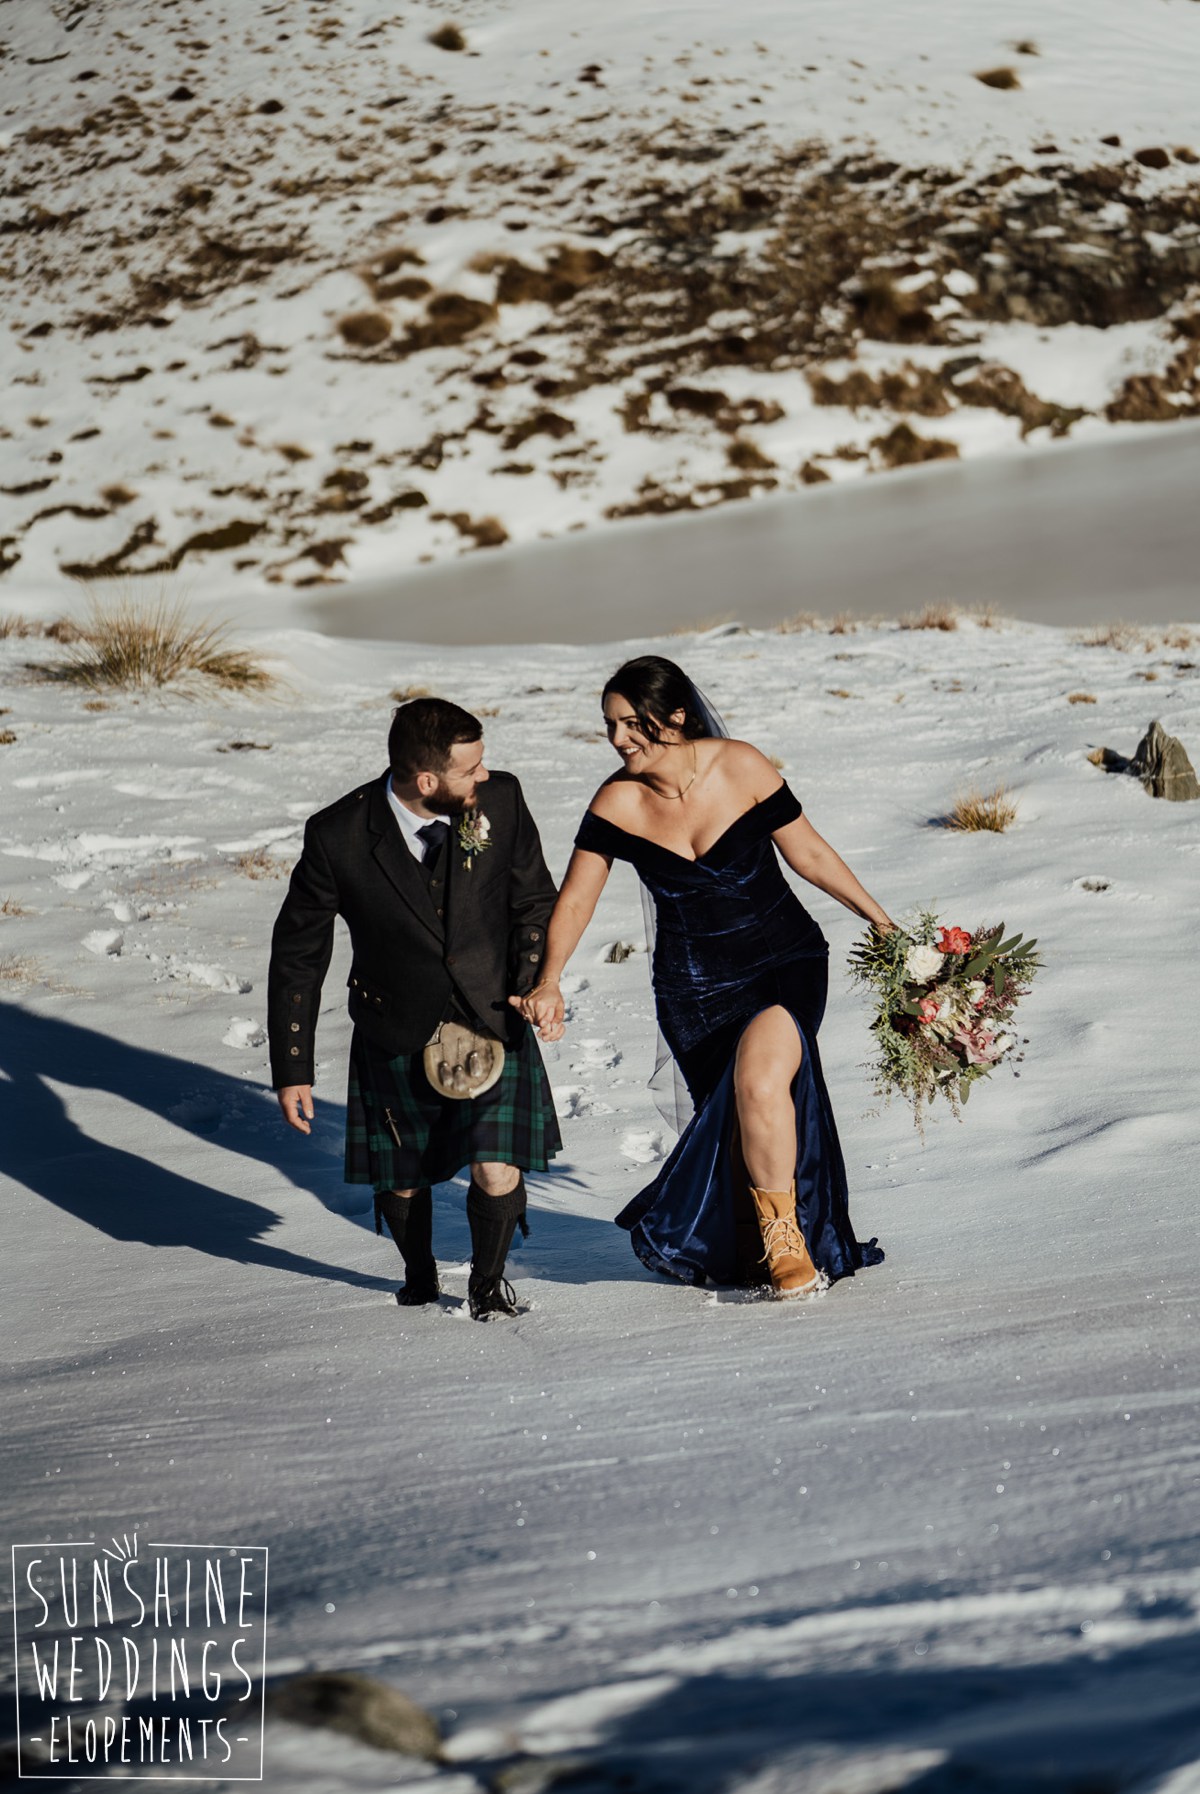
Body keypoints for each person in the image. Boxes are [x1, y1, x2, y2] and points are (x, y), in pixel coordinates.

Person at [516, 656, 890, 1298]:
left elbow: (809, 851)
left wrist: (879, 921)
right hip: (693, 993)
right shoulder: (616, 801)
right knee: (741, 1118)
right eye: (610, 725)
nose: (619, 739)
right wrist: (548, 979)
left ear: (677, 716)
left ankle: (788, 1245)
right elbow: (576, 899)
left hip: (784, 964)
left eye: (634, 723)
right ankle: (752, 1242)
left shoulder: (741, 765)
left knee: (761, 1079)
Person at [269, 698, 561, 1320]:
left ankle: (487, 1283)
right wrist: (292, 1065)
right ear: (427, 781)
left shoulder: (501, 800)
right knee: (405, 1174)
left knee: (495, 1158)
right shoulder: (338, 836)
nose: (485, 776)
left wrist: (534, 982)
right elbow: (299, 953)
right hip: (396, 1025)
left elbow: (535, 900)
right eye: (471, 768)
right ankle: (419, 1272)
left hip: (491, 1013)